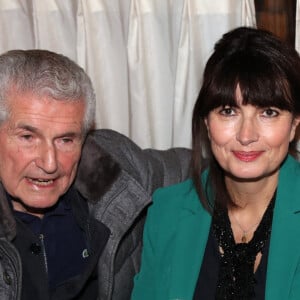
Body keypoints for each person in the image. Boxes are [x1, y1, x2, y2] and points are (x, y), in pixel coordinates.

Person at [0, 49, 191, 300]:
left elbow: (198, 168)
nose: (49, 163)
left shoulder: (111, 168)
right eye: (28, 137)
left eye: (66, 140)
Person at [131, 26, 300, 300]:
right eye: (228, 111)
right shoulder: (167, 212)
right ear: (207, 123)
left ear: (294, 125)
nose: (247, 135)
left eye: (268, 112)